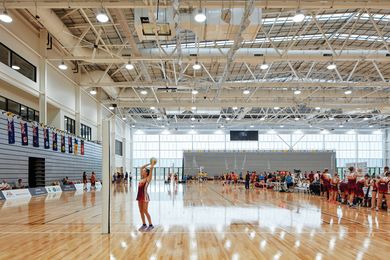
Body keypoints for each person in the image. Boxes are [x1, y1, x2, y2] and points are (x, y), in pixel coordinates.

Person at [137, 160, 156, 232]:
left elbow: (151, 169)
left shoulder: (148, 178)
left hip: (145, 196)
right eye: (143, 171)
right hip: (139, 196)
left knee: (145, 210)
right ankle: (144, 224)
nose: (142, 171)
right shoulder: (141, 178)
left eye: (144, 170)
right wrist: (149, 163)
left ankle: (151, 225)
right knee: (140, 211)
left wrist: (152, 165)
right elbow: (141, 167)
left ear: (147, 173)